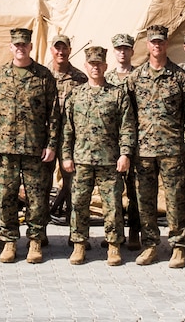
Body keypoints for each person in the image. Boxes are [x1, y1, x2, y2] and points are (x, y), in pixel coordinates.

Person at [0, 28, 60, 264]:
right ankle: (9, 241)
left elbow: (54, 114)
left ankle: (35, 240)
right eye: (16, 45)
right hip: (5, 149)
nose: (20, 48)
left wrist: (52, 144)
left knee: (37, 197)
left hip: (35, 149)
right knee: (6, 196)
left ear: (30, 47)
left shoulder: (44, 76)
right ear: (10, 47)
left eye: (24, 45)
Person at [62, 46, 137, 266]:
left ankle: (113, 245)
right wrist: (66, 155)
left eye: (99, 64)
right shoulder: (75, 94)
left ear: (105, 66)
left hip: (109, 160)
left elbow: (127, 127)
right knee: (78, 203)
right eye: (91, 64)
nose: (95, 68)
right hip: (81, 160)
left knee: (112, 204)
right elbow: (67, 129)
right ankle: (78, 244)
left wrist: (125, 154)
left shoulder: (117, 93)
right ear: (86, 67)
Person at [126, 24, 185, 268]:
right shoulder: (135, 78)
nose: (157, 45)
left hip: (172, 149)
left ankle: (178, 246)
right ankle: (150, 245)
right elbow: (128, 115)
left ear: (166, 44)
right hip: (143, 150)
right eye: (153, 42)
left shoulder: (180, 77)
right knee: (145, 200)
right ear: (147, 45)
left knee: (176, 200)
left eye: (160, 41)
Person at [47, 34, 87, 229]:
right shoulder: (42, 75)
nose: (60, 52)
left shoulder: (80, 78)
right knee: (41, 185)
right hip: (46, 139)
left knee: (73, 185)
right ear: (51, 50)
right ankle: (40, 233)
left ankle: (76, 232)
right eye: (57, 48)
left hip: (72, 139)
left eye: (64, 48)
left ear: (70, 50)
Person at [105, 33, 141, 250]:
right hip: (110, 144)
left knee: (136, 191)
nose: (122, 52)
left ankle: (135, 232)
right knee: (113, 191)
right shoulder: (106, 78)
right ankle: (114, 232)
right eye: (119, 48)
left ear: (131, 52)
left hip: (138, 142)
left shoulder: (140, 76)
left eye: (126, 48)